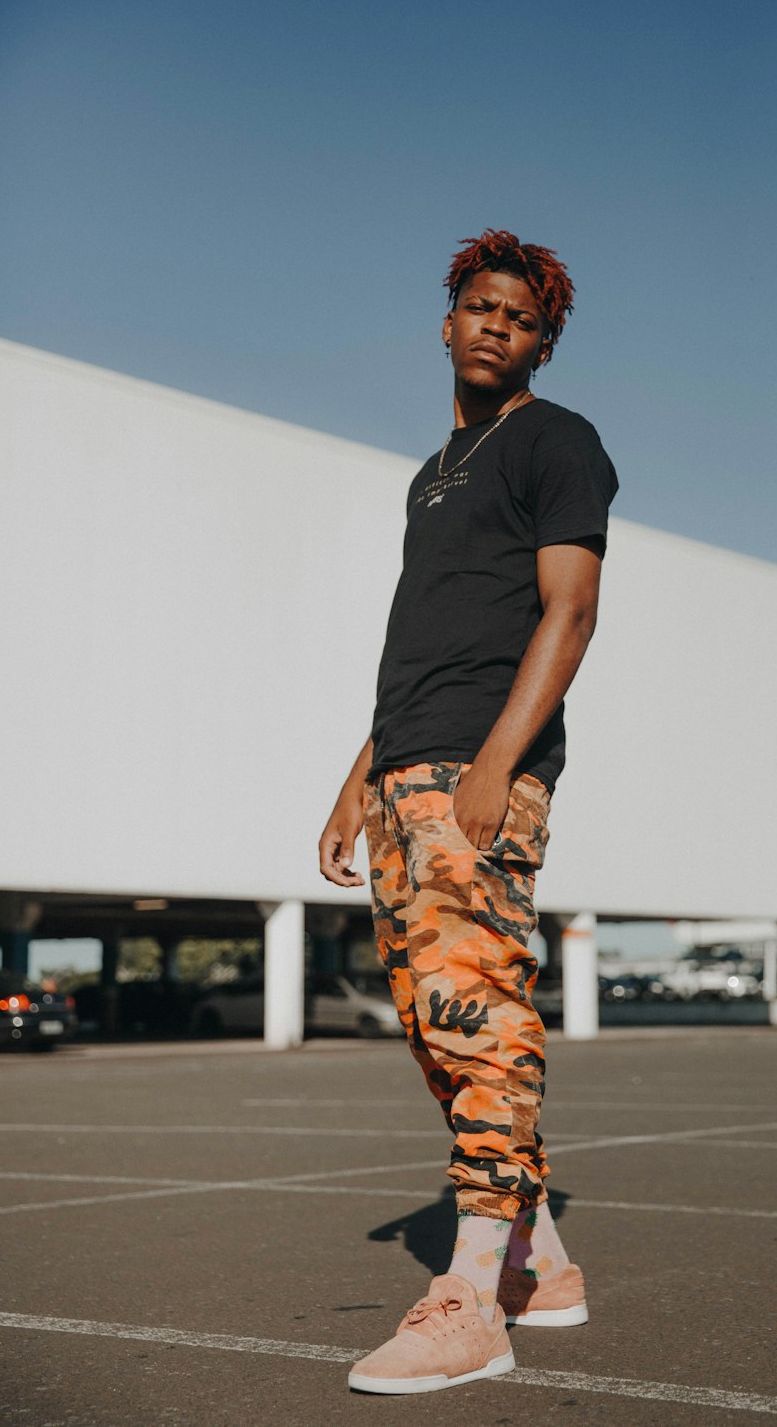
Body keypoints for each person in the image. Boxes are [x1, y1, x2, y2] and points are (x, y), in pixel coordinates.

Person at [318, 228, 618, 1394]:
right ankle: (541, 1268)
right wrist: (361, 778)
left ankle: (472, 1295)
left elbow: (571, 610)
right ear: (447, 321)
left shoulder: (557, 442)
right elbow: (423, 640)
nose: (496, 326)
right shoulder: (433, 472)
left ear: (542, 342)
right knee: (435, 1029)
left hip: (478, 774)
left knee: (480, 1017)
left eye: (521, 317)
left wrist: (496, 762)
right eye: (479, 307)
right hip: (407, 772)